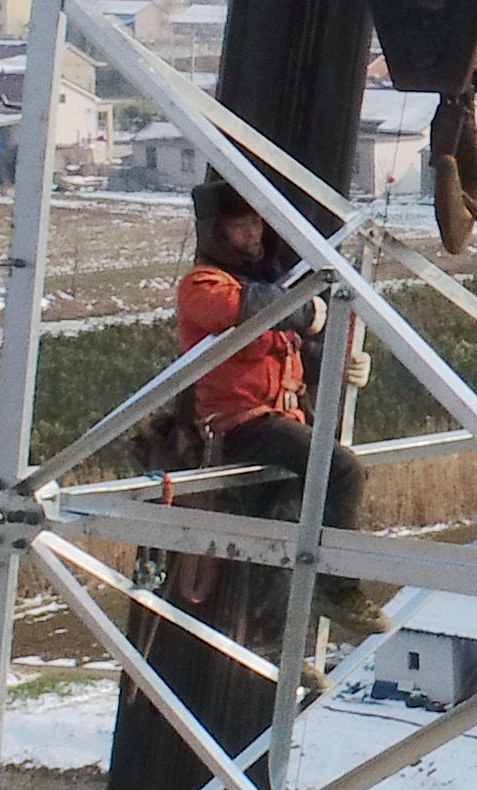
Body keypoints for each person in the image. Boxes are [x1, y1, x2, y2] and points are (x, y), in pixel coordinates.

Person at [154, 226, 365, 616]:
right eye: (239, 225)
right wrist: (308, 308)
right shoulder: (202, 286)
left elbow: (286, 359)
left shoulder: (268, 294)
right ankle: (338, 588)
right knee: (342, 469)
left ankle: (272, 646)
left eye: (257, 223)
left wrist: (338, 366)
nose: (253, 234)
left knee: (282, 527)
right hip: (240, 425)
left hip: (278, 422)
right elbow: (248, 307)